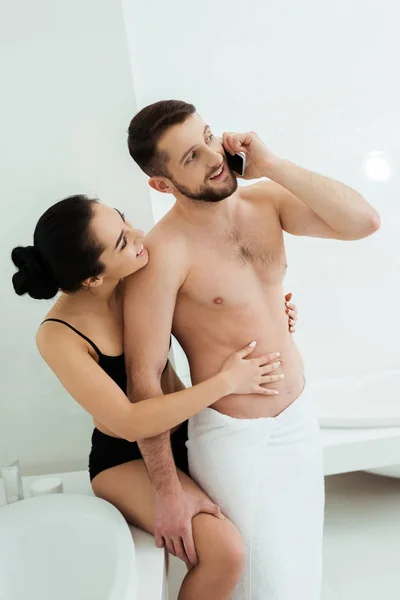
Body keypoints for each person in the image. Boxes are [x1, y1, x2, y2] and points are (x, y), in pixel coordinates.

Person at [125, 100, 380, 600]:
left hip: (298, 416)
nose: (213, 158)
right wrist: (168, 492)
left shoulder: (267, 201)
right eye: (189, 159)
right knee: (262, 585)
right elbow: (143, 380)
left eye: (208, 137)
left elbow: (363, 221)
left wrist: (273, 165)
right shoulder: (164, 254)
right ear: (161, 184)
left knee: (302, 569)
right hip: (236, 438)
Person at [11, 194, 298, 600]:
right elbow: (129, 422)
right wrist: (226, 382)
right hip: (124, 458)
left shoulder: (140, 277)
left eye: (124, 221)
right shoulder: (58, 335)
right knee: (225, 552)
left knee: (266, 528)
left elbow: (217, 308)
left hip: (188, 433)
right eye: (122, 242)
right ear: (93, 278)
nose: (140, 234)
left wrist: (273, 315)